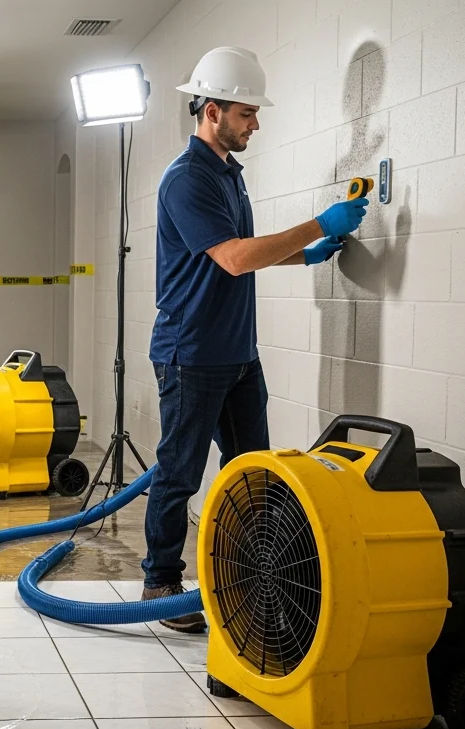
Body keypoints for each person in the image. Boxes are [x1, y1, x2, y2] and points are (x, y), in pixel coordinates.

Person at [141, 46, 368, 632]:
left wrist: (305, 256)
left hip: (237, 353)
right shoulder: (187, 179)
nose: (256, 124)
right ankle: (159, 581)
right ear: (211, 110)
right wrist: (321, 222)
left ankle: (247, 576)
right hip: (192, 354)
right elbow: (237, 259)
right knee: (179, 471)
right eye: (246, 113)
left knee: (254, 472)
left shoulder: (226, 176)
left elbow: (241, 255)